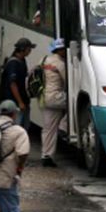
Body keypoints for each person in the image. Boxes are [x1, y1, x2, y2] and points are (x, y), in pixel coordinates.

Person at [39, 38, 68, 167]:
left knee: (48, 129)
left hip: (44, 98)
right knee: (75, 106)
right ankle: (63, 125)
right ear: (61, 50)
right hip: (57, 97)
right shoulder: (61, 64)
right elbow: (68, 82)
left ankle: (46, 155)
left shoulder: (44, 60)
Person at [2, 38, 36, 129]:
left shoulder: (22, 60)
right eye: (29, 49)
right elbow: (12, 84)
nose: (30, 51)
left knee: (25, 126)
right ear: (22, 49)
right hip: (15, 103)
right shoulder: (13, 63)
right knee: (16, 127)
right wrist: (20, 102)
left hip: (24, 100)